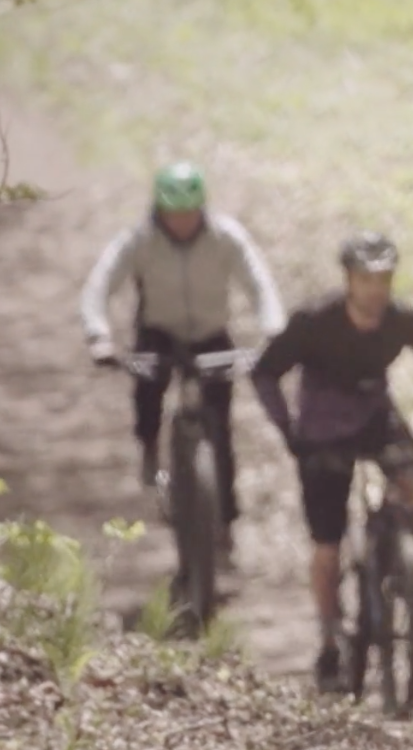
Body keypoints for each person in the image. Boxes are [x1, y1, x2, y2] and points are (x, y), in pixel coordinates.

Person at [251, 231, 413, 692]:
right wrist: (290, 433)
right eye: (366, 279)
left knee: (411, 478)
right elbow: (264, 373)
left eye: (384, 279)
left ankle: (397, 558)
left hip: (376, 418)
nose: (376, 290)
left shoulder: (401, 321)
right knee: (327, 546)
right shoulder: (314, 321)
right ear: (348, 280)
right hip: (322, 430)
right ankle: (329, 637)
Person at [80, 161, 286, 566]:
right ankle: (150, 450)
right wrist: (98, 335)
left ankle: (225, 523)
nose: (181, 222)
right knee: (148, 395)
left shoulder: (225, 237)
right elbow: (99, 284)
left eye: (189, 214)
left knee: (221, 431)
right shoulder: (138, 240)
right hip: (160, 334)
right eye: (173, 215)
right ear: (158, 210)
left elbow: (259, 281)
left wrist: (274, 328)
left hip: (210, 335)